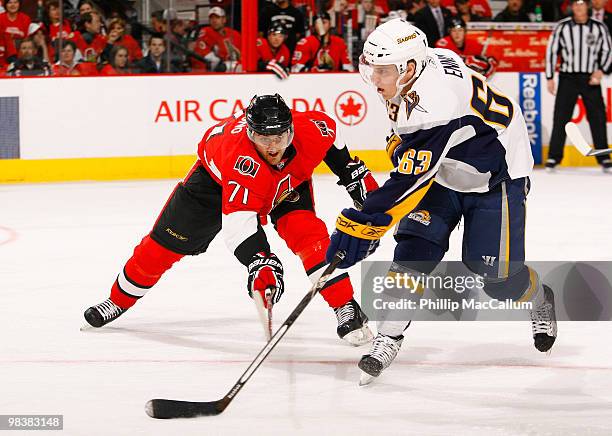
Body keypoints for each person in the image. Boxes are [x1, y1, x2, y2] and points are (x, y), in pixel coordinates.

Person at [326, 19, 558, 383]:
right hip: (445, 166)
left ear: (410, 68)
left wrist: (362, 222)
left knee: (498, 279)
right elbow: (412, 148)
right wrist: (400, 147)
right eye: (372, 69)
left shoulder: (436, 104)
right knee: (414, 250)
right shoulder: (422, 65)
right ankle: (388, 335)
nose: (375, 80)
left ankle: (539, 297)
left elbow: (407, 180)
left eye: (383, 71)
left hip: (495, 176)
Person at [83, 94, 378, 346]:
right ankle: (117, 301)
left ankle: (346, 306)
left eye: (280, 137)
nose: (273, 147)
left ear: (291, 130)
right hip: (212, 187)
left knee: (310, 236)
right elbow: (239, 226)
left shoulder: (313, 128)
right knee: (161, 249)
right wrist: (260, 260)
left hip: (287, 182)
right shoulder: (241, 161)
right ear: (251, 134)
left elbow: (335, 143)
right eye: (264, 138)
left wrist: (351, 174)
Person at [546, 0, 612, 172]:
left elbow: (608, 50)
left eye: (582, 4)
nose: (579, 8)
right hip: (568, 78)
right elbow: (552, 51)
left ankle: (604, 157)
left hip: (590, 78)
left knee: (598, 118)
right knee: (561, 117)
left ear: (588, 7)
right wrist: (550, 76)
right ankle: (554, 156)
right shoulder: (563, 27)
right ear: (572, 7)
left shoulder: (599, 27)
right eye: (576, 4)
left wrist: (601, 71)